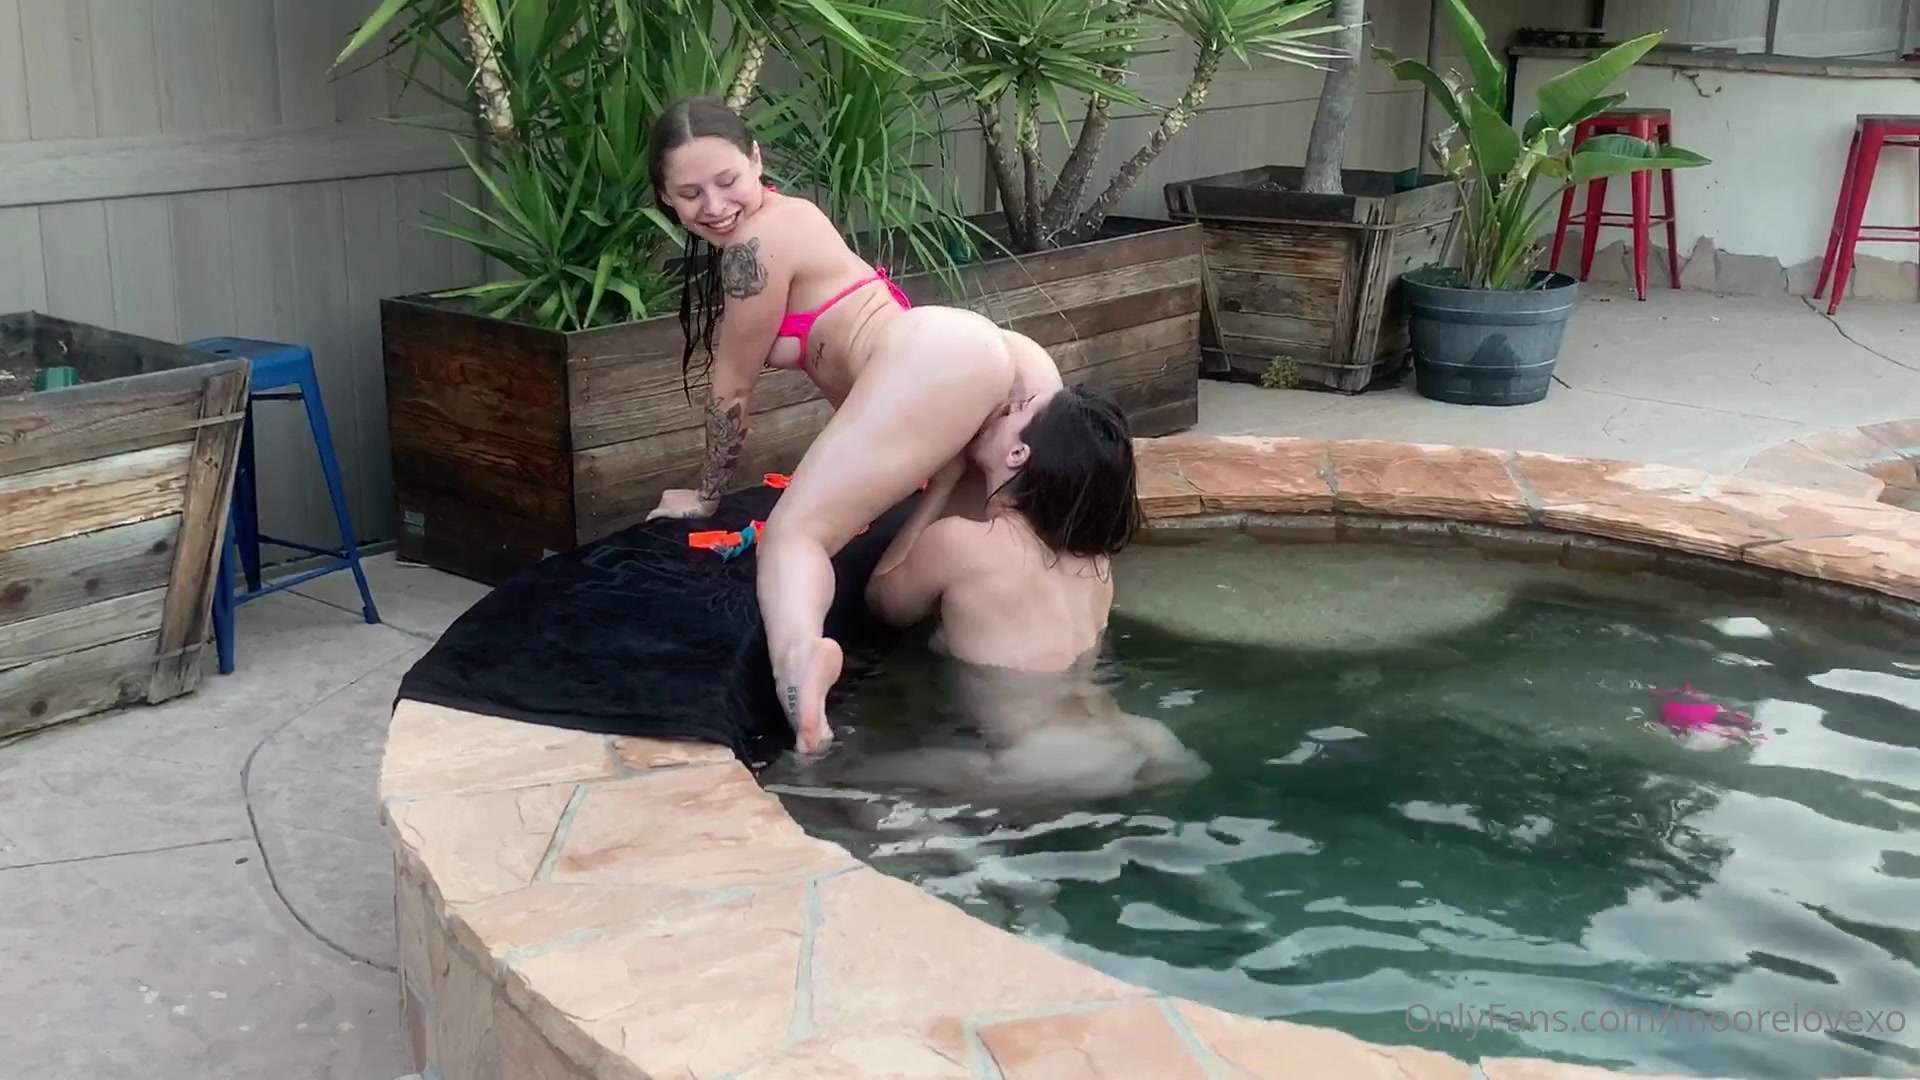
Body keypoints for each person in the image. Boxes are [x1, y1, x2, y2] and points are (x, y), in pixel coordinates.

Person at [643, 95, 1062, 755]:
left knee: (794, 538)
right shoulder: (794, 216)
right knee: (922, 587)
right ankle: (1036, 712)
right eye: (691, 194)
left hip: (942, 361)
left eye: (727, 181)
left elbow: (732, 388)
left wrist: (705, 497)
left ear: (757, 160)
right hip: (991, 365)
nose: (715, 206)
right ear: (665, 198)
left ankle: (799, 662)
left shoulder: (754, 245)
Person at [848, 382, 1210, 802]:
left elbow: (883, 601)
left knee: (846, 781)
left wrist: (943, 487)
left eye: (1013, 409)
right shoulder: (1095, 564)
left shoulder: (959, 544)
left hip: (1042, 759)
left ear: (1019, 454)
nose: (999, 410)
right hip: (1136, 739)